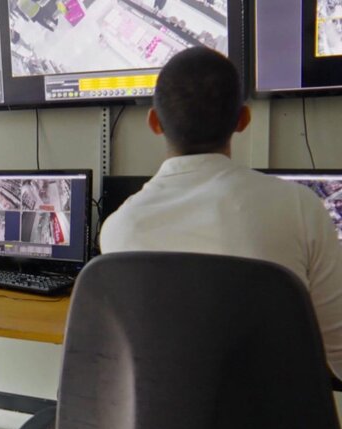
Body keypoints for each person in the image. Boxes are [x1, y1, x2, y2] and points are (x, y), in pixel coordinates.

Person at [100, 47, 342, 377]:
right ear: (243, 119)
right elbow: (339, 354)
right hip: (276, 410)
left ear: (154, 122)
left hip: (161, 411)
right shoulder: (301, 207)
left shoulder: (118, 230)